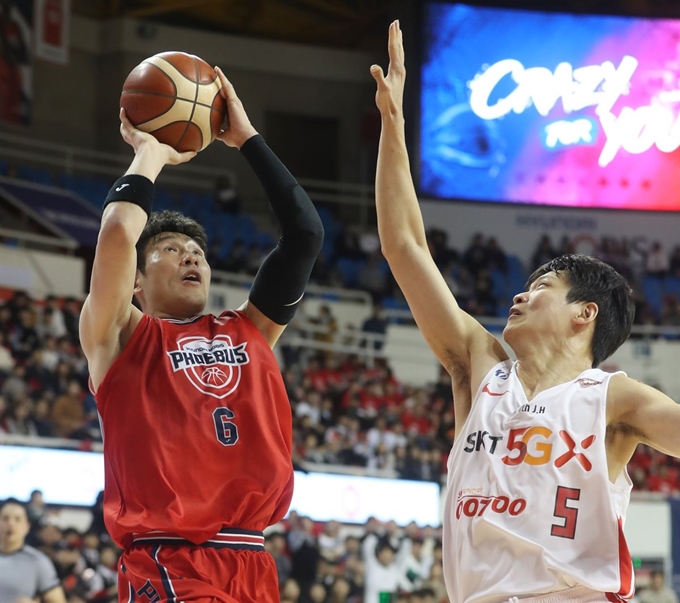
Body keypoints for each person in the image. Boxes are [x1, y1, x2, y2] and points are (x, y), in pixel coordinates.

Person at [371, 20, 680, 603]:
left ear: (583, 313)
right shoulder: (480, 366)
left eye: (542, 285)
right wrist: (393, 127)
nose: (521, 293)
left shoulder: (614, 398)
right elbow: (404, 247)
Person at [79, 67, 323, 603]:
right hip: (167, 558)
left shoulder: (250, 328)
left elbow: (305, 234)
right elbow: (120, 231)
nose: (190, 255)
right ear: (136, 282)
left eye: (197, 253)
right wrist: (151, 152)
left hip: (253, 560)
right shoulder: (117, 336)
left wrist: (248, 140)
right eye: (167, 250)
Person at [0, 499, 66, 603]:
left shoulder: (37, 561)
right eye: (5, 518)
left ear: (27, 526)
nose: (11, 524)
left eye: (17, 519)